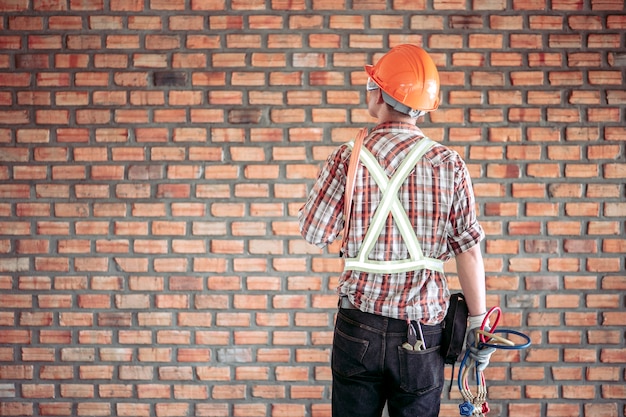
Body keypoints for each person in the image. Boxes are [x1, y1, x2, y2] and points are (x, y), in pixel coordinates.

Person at [298, 44, 493, 417]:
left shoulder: (347, 156)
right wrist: (479, 324)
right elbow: (468, 249)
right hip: (424, 333)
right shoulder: (448, 163)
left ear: (380, 95)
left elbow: (314, 232)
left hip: (359, 327)